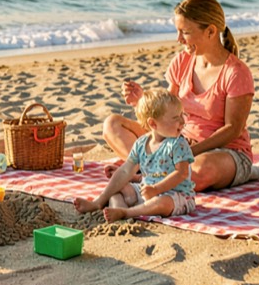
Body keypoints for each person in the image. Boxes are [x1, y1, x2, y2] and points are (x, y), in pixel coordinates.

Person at [103, 0, 258, 191]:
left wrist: (187, 152)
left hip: (225, 152)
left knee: (201, 170)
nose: (178, 40)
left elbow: (232, 130)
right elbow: (165, 110)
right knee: (112, 124)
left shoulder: (236, 72)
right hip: (177, 140)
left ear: (210, 31)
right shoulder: (182, 61)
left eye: (184, 32)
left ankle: (144, 173)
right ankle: (148, 172)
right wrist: (142, 101)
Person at [76, 89, 195, 220]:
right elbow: (125, 171)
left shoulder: (178, 143)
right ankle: (104, 205)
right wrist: (102, 197)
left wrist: (156, 189)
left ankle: (126, 213)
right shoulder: (142, 143)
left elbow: (181, 173)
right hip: (146, 191)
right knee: (117, 190)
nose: (182, 122)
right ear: (153, 123)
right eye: (175, 118)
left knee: (161, 203)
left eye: (181, 115)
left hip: (176, 196)